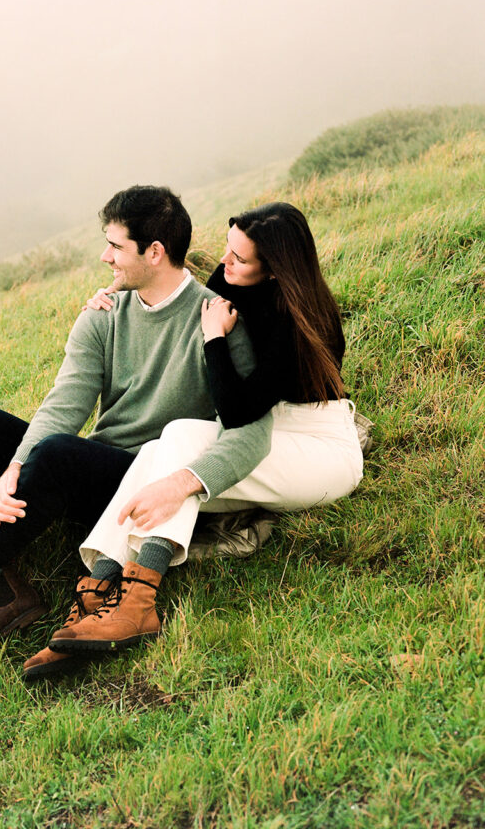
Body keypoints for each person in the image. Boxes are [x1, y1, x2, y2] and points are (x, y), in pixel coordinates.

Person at [0, 186, 273, 680]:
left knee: (57, 455)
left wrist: (183, 483)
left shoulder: (218, 320)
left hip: (139, 489)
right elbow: (64, 404)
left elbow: (251, 431)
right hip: (86, 469)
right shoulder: (104, 314)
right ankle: (2, 590)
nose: (104, 256)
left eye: (115, 246)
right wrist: (13, 468)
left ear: (154, 252)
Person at [31, 202, 363, 676]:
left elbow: (240, 411)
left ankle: (139, 599)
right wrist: (112, 294)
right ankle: (95, 600)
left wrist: (213, 341)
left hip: (319, 450)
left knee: (182, 442)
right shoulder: (233, 280)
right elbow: (179, 277)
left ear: (274, 272)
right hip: (266, 429)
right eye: (229, 250)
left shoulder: (296, 324)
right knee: (161, 446)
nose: (226, 266)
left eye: (240, 260)